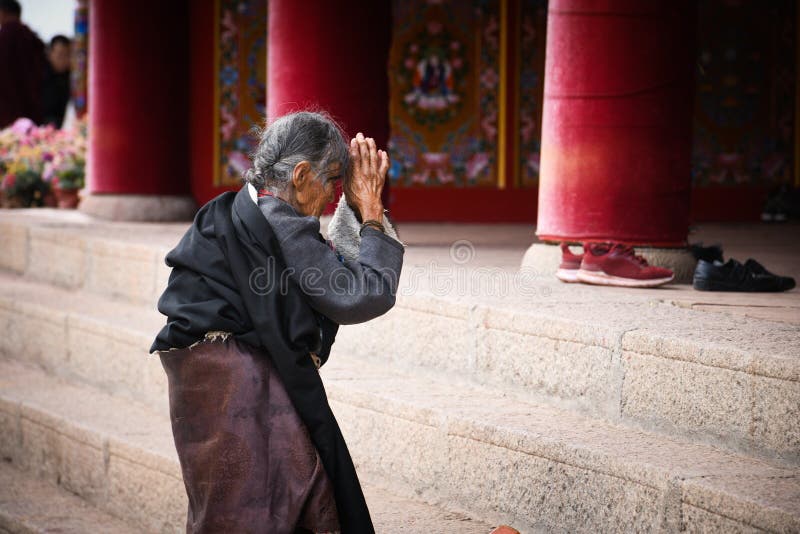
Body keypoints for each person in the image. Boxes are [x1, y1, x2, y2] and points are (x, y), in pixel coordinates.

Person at [150, 111, 404, 534]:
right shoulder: (280, 224)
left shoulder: (243, 210)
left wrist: (350, 212)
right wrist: (371, 212)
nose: (331, 196)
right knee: (291, 500)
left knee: (231, 509)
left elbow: (322, 273)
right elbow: (363, 294)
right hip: (238, 383)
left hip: (198, 381)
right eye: (332, 181)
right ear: (302, 174)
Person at [0, 0, 46, 128]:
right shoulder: (30, 36)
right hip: (32, 104)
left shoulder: (5, 36)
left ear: (3, 13)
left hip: (7, 108)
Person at [42, 35, 71, 128]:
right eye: (60, 55)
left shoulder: (73, 78)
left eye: (67, 55)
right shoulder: (40, 76)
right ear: (50, 54)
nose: (64, 60)